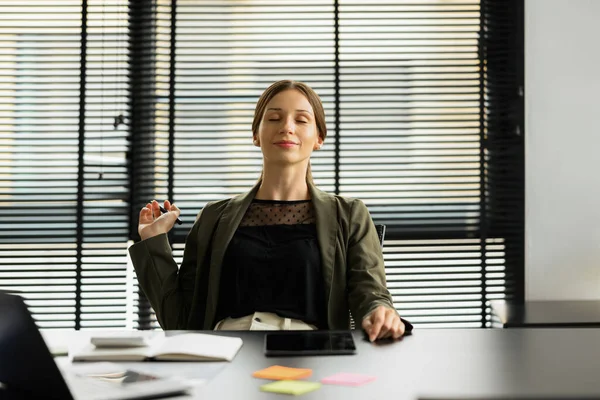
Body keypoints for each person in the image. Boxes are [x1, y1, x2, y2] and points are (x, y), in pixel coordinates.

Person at [129, 80, 410, 341]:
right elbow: (180, 320)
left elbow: (370, 292)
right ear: (255, 135)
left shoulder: (349, 214)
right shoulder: (214, 217)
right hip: (226, 353)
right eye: (274, 118)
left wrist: (379, 312)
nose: (287, 127)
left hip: (309, 352)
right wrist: (153, 242)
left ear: (319, 138)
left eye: (301, 120)